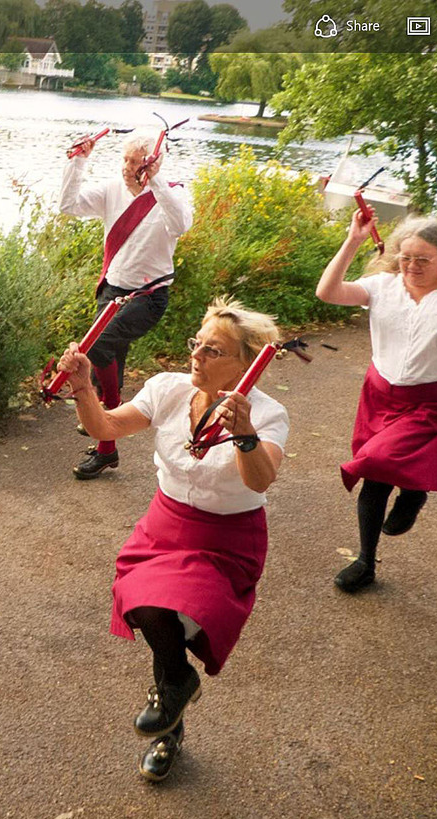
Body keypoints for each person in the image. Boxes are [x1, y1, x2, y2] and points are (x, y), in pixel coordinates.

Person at [56, 297, 288, 782]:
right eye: (197, 344)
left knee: (167, 607)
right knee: (144, 603)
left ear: (245, 363)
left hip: (226, 539)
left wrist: (243, 434)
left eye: (213, 351)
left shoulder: (267, 414)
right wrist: (83, 387)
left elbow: (260, 480)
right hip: (164, 523)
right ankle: (178, 685)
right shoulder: (168, 389)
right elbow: (105, 426)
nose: (197, 357)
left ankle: (169, 727)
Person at [316, 213, 437, 593]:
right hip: (380, 394)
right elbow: (328, 292)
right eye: (406, 257)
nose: (412, 266)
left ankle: (415, 490)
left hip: (435, 400)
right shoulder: (382, 285)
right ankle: (365, 562)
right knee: (375, 480)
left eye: (423, 259)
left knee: (375, 461)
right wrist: (353, 241)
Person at [59, 128, 193, 479]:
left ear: (153, 163)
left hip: (148, 297)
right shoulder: (112, 189)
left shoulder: (172, 194)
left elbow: (181, 225)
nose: (127, 167)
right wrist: (79, 161)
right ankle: (106, 424)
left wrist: (157, 181)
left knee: (97, 350)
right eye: (125, 159)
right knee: (110, 363)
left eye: (135, 162)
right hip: (110, 292)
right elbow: (68, 205)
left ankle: (106, 436)